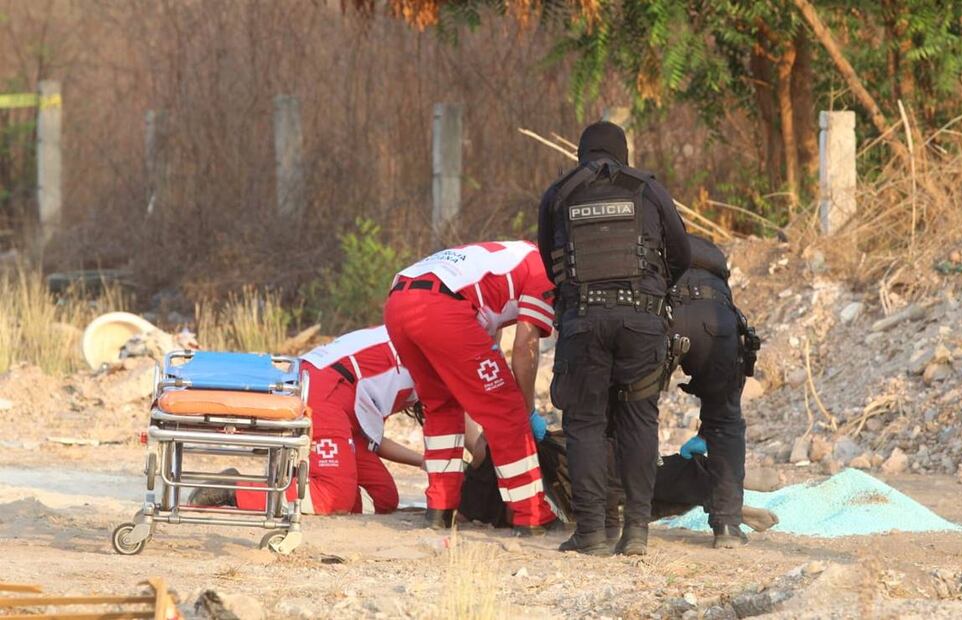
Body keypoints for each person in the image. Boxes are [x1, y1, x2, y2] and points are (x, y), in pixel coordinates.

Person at [537, 121, 690, 556]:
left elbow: (549, 262)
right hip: (641, 322)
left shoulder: (559, 193)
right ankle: (636, 529)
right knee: (638, 419)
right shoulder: (648, 189)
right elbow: (682, 252)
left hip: (583, 322)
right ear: (623, 153)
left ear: (581, 154)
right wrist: (653, 290)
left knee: (585, 422)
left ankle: (591, 532)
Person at [383, 241, 558, 535]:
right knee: (507, 410)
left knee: (441, 406)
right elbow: (524, 348)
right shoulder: (545, 270)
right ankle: (531, 515)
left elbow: (488, 335)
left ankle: (440, 510)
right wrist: (526, 409)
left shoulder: (510, 257)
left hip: (399, 301)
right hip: (442, 307)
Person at [190, 325, 427, 515]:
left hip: (332, 394)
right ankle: (234, 490)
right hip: (327, 393)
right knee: (337, 498)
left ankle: (296, 479)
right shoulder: (422, 354)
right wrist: (431, 462)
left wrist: (422, 461)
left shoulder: (400, 340)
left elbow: (373, 440)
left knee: (386, 496)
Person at [458, 430, 778, 537]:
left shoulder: (472, 495)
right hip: (556, 466)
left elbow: (480, 444)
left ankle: (722, 490)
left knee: (634, 489)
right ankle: (722, 491)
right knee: (641, 475)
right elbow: (482, 441)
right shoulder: (476, 482)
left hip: (552, 489)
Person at [665, 233, 760, 547]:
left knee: (635, 413)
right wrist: (709, 430)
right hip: (715, 319)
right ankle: (727, 525)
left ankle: (629, 522)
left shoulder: (651, 247)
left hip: (662, 315)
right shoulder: (713, 258)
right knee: (725, 419)